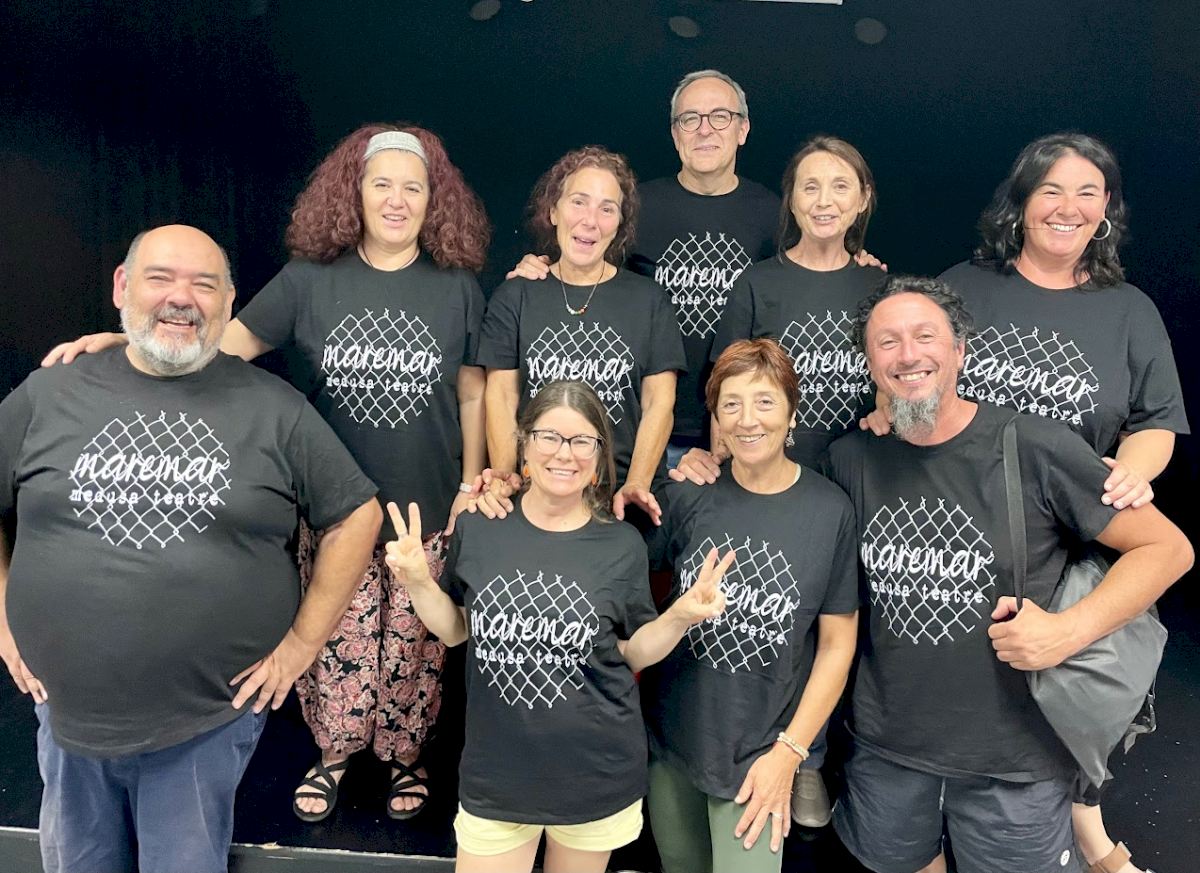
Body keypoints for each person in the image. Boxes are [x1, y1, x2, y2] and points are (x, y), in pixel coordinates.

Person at [42, 123, 492, 822]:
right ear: (354, 192)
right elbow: (221, 346)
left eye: (413, 188)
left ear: (435, 201)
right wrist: (129, 343)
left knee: (416, 648)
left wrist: (470, 484)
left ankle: (406, 755)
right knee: (336, 642)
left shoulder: (457, 288)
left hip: (424, 508)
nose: (397, 200)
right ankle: (335, 751)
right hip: (334, 511)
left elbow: (472, 392)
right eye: (381, 184)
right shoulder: (309, 280)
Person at [0, 225, 382, 873]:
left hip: (204, 725)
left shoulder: (273, 408)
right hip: (67, 716)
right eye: (161, 278)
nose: (182, 297)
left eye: (205, 284)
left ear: (229, 302)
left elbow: (357, 515)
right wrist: (4, 615)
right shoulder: (50, 392)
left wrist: (301, 644)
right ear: (122, 286)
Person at [860, 133, 1189, 873]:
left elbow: (1157, 420)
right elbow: (911, 356)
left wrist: (1131, 475)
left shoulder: (1127, 310)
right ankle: (1074, 835)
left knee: (1069, 696)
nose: (1068, 208)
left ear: (1107, 210)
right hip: (960, 525)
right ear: (1021, 201)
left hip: (1074, 532)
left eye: (1088, 193)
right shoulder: (968, 286)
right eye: (1051, 190)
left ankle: (1086, 830)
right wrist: (891, 405)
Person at [384, 380, 734, 873]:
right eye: (549, 436)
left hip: (594, 774)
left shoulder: (622, 545)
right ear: (524, 445)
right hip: (497, 776)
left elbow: (631, 652)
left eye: (582, 441)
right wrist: (419, 582)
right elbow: (456, 631)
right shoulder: (480, 528)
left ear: (599, 457)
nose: (564, 453)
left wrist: (679, 616)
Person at [642, 339, 859, 873]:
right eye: (731, 404)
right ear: (715, 419)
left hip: (761, 756)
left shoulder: (829, 510)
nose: (747, 420)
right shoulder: (689, 495)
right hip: (673, 742)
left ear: (792, 413)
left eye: (764, 402)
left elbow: (837, 644)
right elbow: (622, 584)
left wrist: (789, 753)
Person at [505, 71, 779, 467]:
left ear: (743, 129)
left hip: (736, 429)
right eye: (690, 118)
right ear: (675, 133)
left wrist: (856, 262)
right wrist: (542, 267)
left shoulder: (772, 215)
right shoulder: (639, 207)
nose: (704, 129)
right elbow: (589, 270)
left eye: (720, 116)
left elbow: (801, 280)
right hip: (639, 430)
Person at [478, 146, 686, 527]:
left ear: (620, 224)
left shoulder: (649, 300)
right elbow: (502, 396)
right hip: (536, 499)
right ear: (553, 211)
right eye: (578, 202)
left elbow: (659, 403)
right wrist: (507, 477)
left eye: (607, 209)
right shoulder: (515, 296)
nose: (590, 221)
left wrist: (637, 483)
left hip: (618, 505)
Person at [681, 135, 884, 478]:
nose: (824, 201)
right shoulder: (757, 283)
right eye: (810, 187)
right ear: (791, 200)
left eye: (840, 186)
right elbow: (725, 385)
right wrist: (723, 462)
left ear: (862, 198)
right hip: (773, 477)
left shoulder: (880, 288)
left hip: (860, 473)